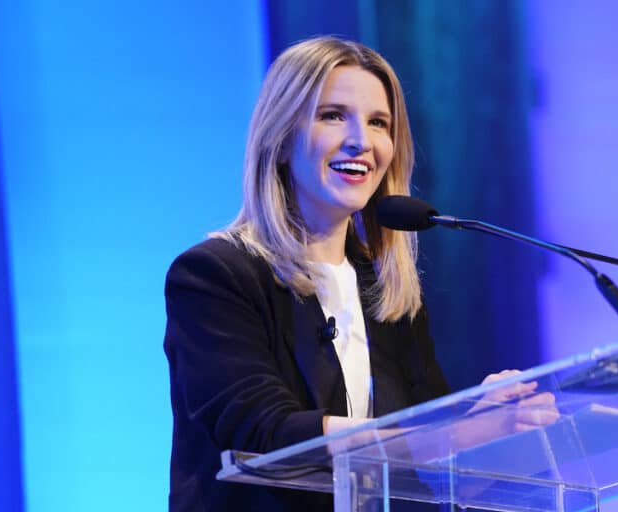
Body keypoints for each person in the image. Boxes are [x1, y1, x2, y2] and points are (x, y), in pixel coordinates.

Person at [163, 37, 554, 511]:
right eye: (333, 115)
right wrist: (460, 428)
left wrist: (499, 423)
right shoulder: (214, 277)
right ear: (281, 138)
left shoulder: (388, 293)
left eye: (378, 123)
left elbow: (429, 473)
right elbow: (268, 436)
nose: (361, 141)